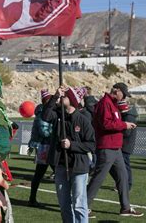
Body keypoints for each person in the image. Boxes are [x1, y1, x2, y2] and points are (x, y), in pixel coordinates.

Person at [86, 83, 143, 218]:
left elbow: (112, 122)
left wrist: (123, 118)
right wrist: (124, 125)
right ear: (117, 91)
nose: (123, 98)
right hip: (107, 147)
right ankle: (84, 206)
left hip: (115, 147)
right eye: (123, 94)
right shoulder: (105, 103)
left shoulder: (111, 103)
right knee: (98, 178)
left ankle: (125, 208)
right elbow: (106, 124)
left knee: (123, 177)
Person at [42, 86, 95, 223]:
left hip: (78, 167)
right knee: (64, 204)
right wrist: (55, 96)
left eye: (64, 96)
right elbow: (45, 115)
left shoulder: (83, 120)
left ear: (72, 100)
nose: (61, 97)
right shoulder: (58, 115)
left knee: (79, 204)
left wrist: (72, 145)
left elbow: (91, 144)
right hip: (60, 166)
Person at [27, 89, 55, 207]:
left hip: (47, 146)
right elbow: (44, 132)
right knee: (40, 174)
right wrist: (57, 133)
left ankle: (32, 199)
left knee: (40, 174)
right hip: (45, 147)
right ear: (45, 101)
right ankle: (32, 199)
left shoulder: (43, 112)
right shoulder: (42, 115)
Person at [109, 100, 137, 191]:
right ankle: (122, 183)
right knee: (122, 166)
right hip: (125, 144)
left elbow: (127, 133)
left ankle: (127, 185)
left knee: (125, 166)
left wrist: (118, 128)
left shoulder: (128, 117)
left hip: (125, 145)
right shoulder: (128, 116)